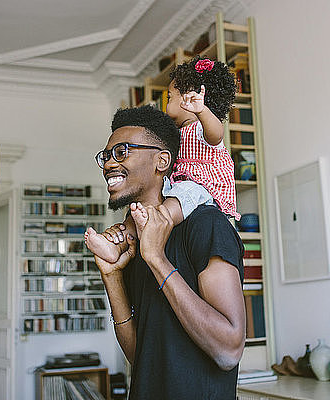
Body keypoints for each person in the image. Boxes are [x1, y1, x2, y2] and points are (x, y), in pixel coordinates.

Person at [91, 105, 245, 400]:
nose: (109, 164)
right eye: (106, 156)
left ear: (162, 161)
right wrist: (111, 275)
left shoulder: (207, 225)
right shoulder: (134, 244)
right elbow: (141, 356)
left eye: (122, 152)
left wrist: (157, 259)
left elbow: (229, 350)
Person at [85, 56, 238, 263]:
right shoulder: (176, 133)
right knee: (139, 206)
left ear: (189, 101)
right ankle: (117, 245)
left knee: (183, 193)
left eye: (170, 98)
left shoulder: (202, 128)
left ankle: (156, 223)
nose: (167, 103)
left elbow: (217, 134)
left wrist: (202, 111)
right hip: (177, 183)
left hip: (202, 188)